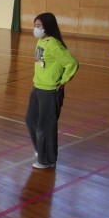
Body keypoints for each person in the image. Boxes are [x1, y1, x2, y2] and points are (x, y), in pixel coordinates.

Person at [26, 12, 79, 169]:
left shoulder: (54, 44)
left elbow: (72, 63)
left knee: (44, 126)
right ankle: (42, 151)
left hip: (49, 91)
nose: (35, 29)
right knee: (31, 120)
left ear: (47, 27)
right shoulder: (41, 41)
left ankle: (46, 160)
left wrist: (63, 81)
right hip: (37, 87)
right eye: (35, 26)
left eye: (38, 26)